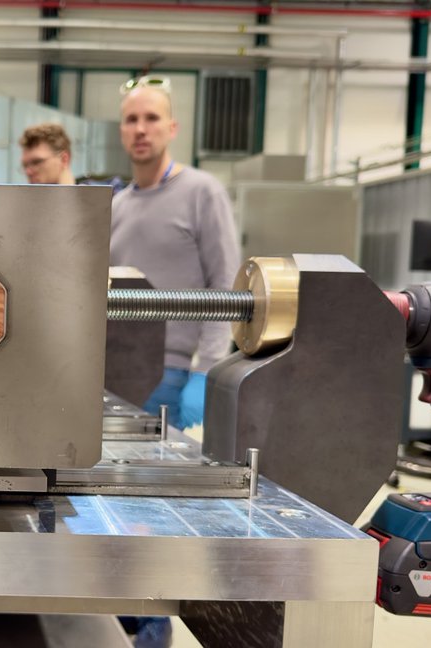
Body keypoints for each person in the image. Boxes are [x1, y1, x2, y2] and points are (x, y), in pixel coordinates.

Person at [110, 77, 240, 432]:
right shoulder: (117, 206)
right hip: (118, 374)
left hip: (178, 376)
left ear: (172, 128)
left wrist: (207, 373)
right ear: (121, 130)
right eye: (131, 120)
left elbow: (225, 285)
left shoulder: (203, 193)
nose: (141, 129)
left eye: (151, 118)